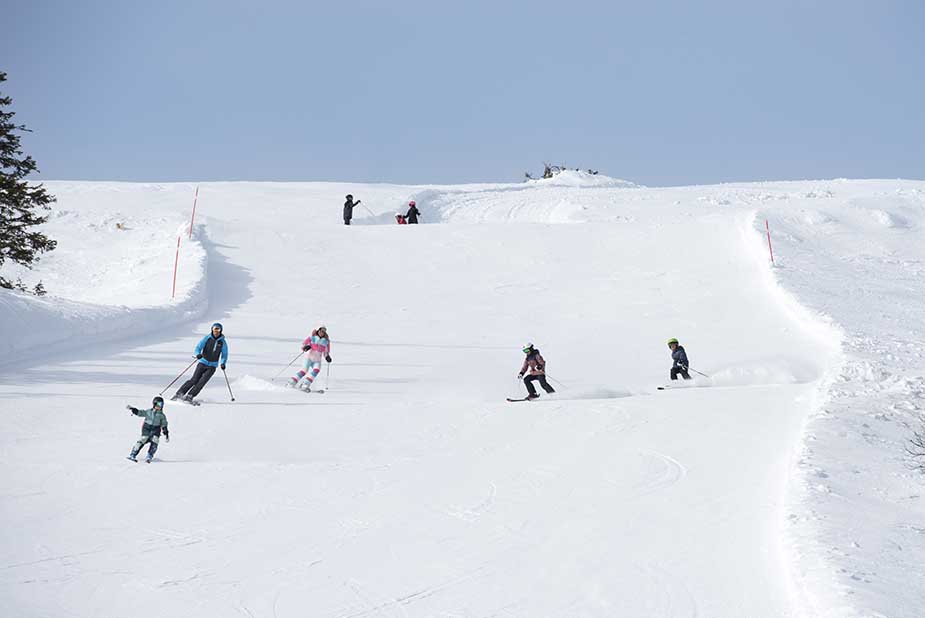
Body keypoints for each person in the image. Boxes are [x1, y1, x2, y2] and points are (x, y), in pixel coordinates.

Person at [172, 322, 229, 402]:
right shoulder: (207, 338)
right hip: (203, 362)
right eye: (214, 329)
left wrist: (223, 363)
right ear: (212, 330)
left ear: (221, 331)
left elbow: (224, 354)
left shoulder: (222, 342)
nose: (216, 331)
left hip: (212, 366)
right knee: (194, 380)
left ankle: (190, 396)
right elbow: (198, 347)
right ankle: (179, 394)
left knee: (202, 382)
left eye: (218, 329)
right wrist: (198, 354)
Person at [289, 325, 333, 391]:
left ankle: (306, 384)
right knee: (304, 371)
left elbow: (326, 352)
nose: (322, 333)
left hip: (317, 360)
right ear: (318, 331)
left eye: (323, 332)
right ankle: (292, 382)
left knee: (316, 370)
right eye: (321, 331)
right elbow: (303, 344)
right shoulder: (312, 337)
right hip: (308, 358)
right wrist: (306, 347)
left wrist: (327, 357)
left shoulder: (326, 341)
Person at [126, 396, 170, 462]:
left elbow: (164, 424)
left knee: (155, 441)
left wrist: (165, 431)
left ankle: (149, 456)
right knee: (143, 440)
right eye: (159, 404)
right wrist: (134, 410)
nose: (160, 406)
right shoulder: (149, 412)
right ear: (154, 404)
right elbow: (140, 413)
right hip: (146, 428)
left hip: (156, 429)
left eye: (162, 404)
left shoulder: (162, 415)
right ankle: (133, 454)